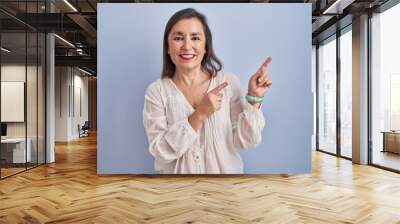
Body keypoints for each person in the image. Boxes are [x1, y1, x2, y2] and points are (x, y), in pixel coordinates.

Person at [143, 8, 272, 174]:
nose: (187, 46)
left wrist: (254, 99)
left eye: (195, 38)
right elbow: (160, 150)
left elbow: (246, 141)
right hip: (176, 191)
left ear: (205, 47)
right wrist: (199, 115)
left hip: (224, 190)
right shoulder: (156, 91)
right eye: (178, 38)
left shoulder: (228, 83)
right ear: (168, 47)